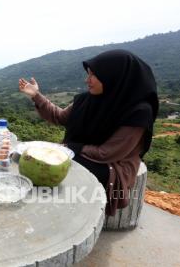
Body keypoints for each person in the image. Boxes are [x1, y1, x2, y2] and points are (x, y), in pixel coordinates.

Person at [18, 49, 158, 215]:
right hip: (82, 152)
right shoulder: (88, 99)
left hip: (112, 166)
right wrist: (36, 95)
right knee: (38, 161)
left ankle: (65, 215)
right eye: (88, 74)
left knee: (58, 168)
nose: (87, 80)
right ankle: (45, 210)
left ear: (113, 77)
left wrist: (69, 149)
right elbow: (59, 116)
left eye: (93, 75)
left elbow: (108, 154)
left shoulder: (138, 112)